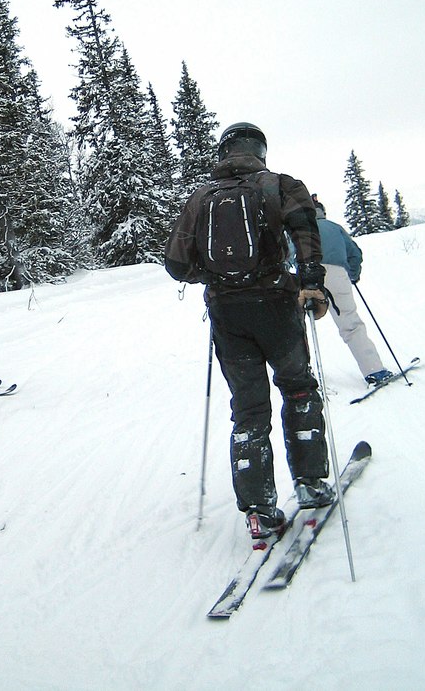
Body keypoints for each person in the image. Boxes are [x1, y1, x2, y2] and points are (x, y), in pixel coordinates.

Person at [165, 122, 335, 539]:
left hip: (227, 313)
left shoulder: (200, 198)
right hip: (277, 305)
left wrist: (215, 277)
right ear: (259, 150)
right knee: (297, 388)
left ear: (224, 153)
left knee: (248, 408)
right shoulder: (279, 185)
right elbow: (306, 232)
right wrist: (311, 282)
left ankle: (259, 509)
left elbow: (175, 264)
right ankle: (311, 484)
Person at [312, 195, 392, 386]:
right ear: (323, 212)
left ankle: (304, 375)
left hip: (310, 277)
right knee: (350, 323)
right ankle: (375, 370)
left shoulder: (301, 229)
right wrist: (353, 275)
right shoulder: (334, 227)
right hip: (337, 275)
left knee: (302, 325)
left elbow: (288, 254)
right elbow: (355, 253)